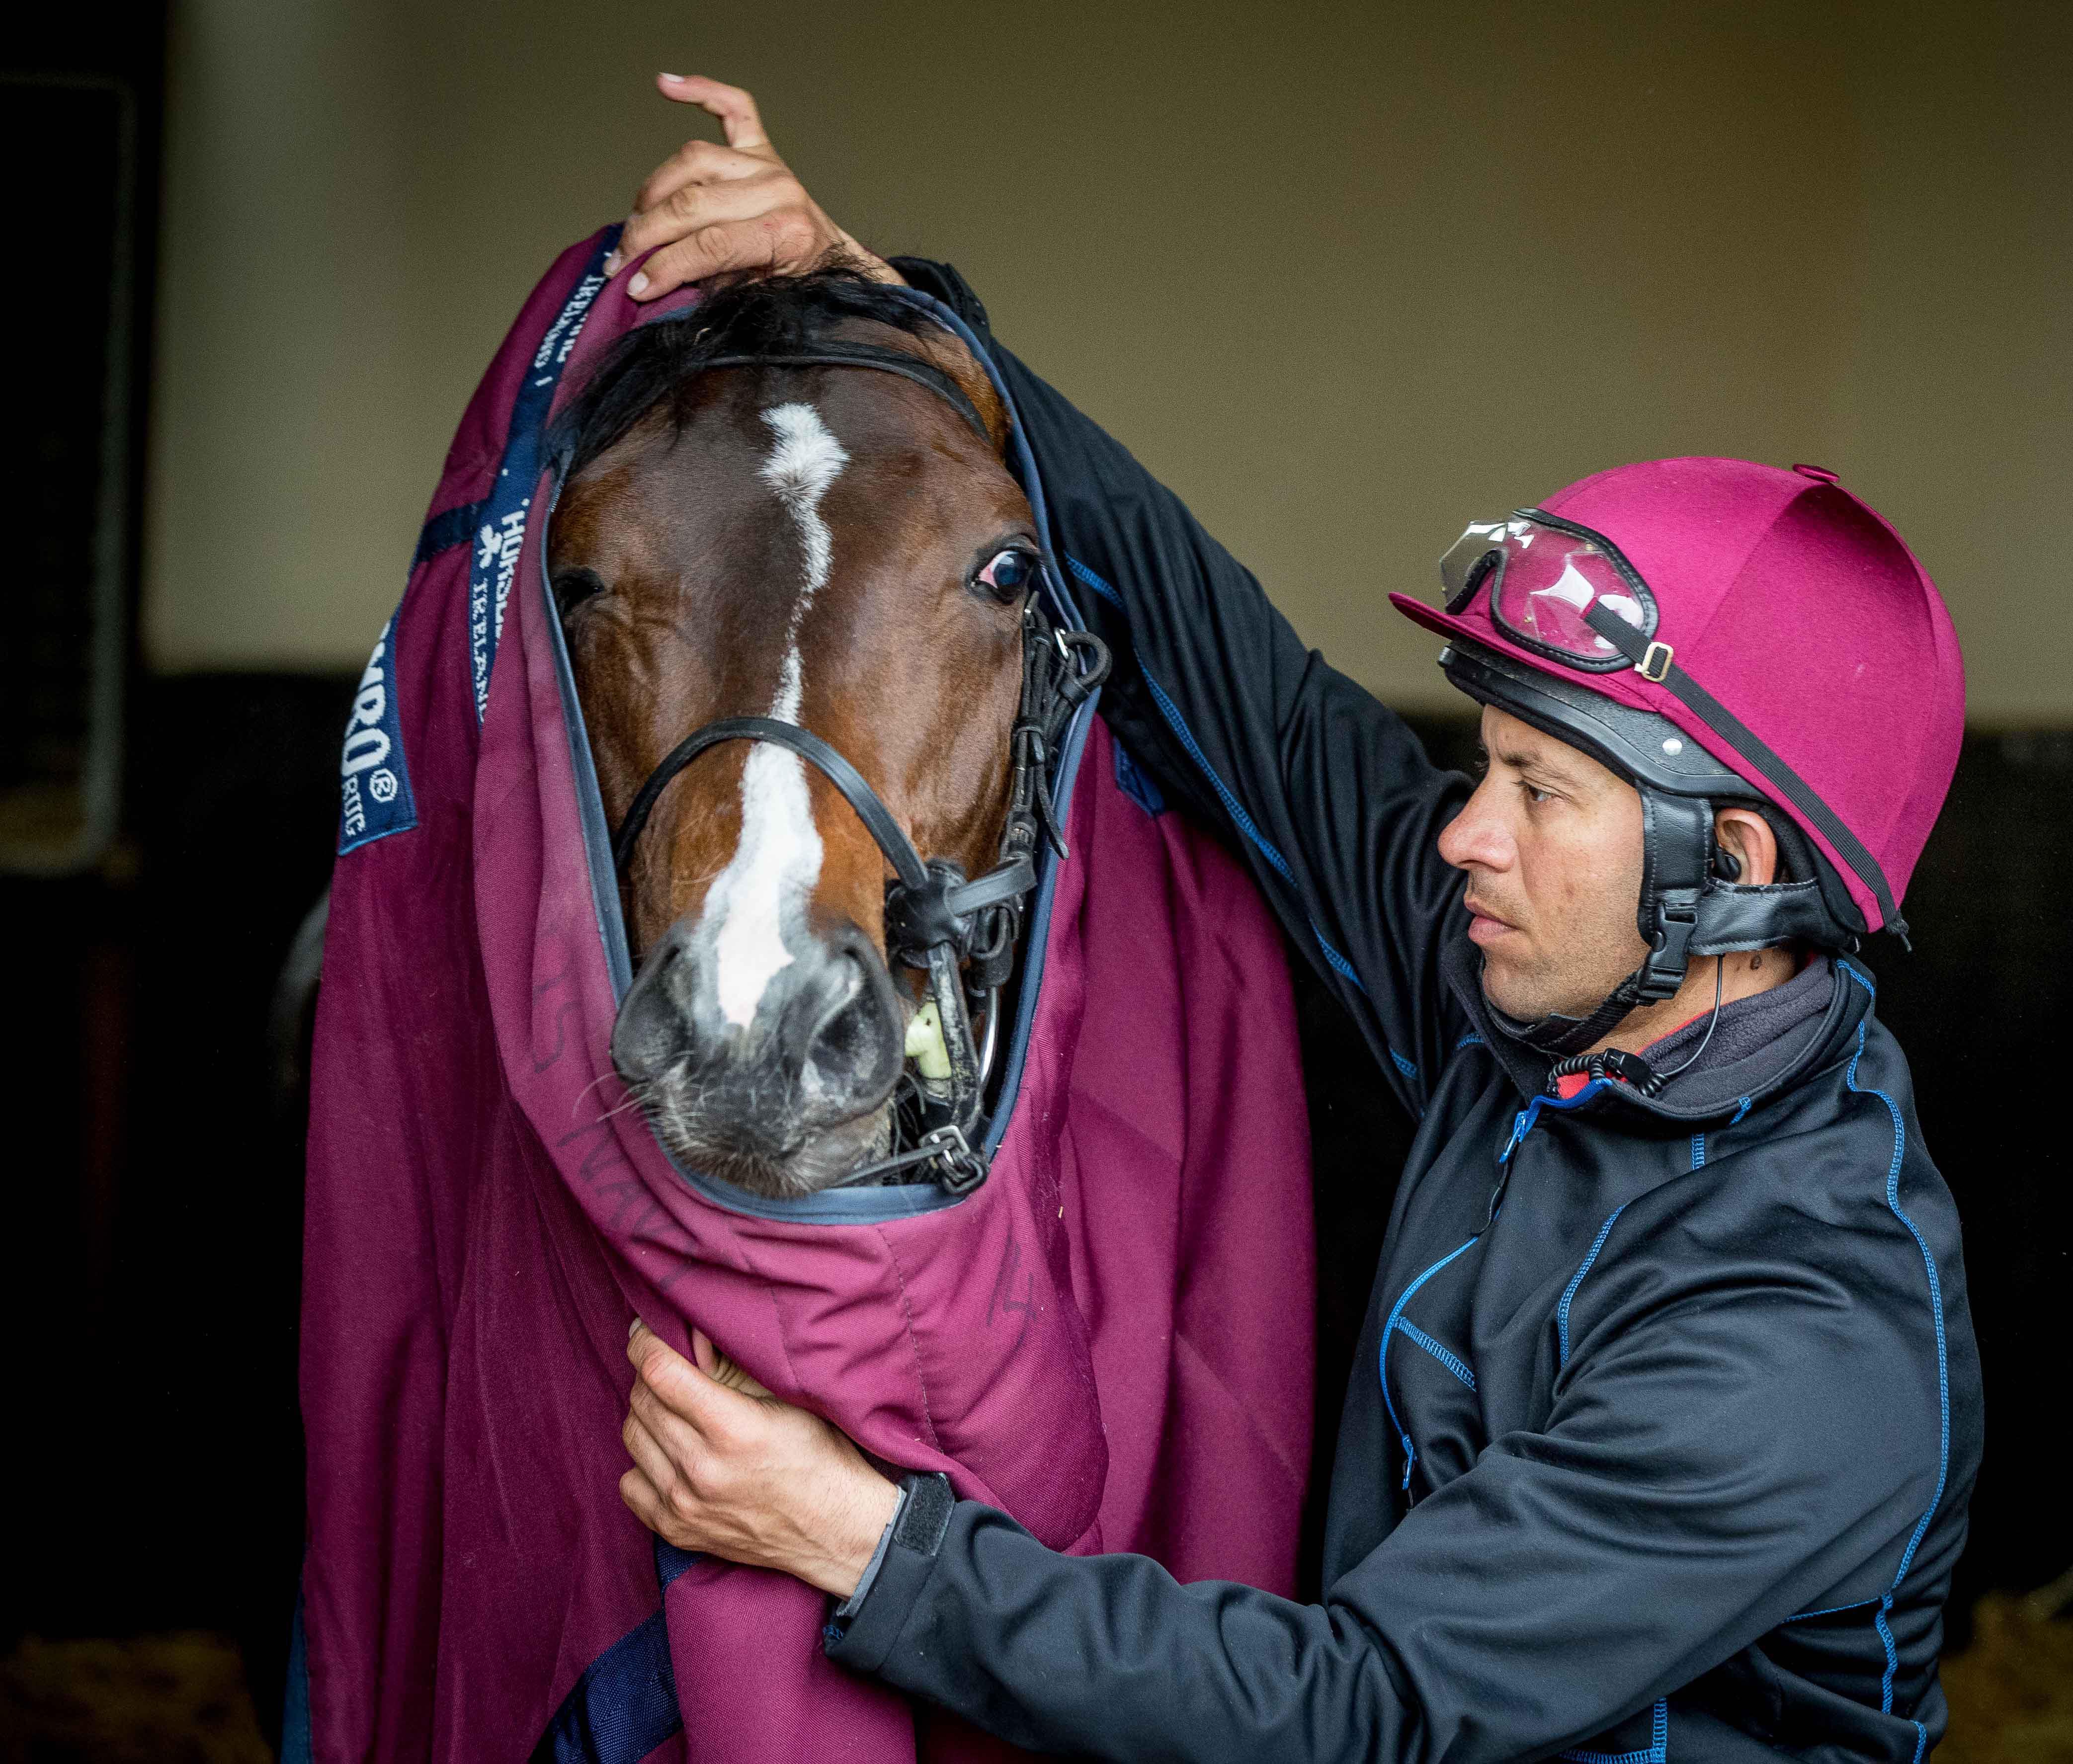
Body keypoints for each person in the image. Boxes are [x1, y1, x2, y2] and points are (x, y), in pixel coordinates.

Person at [608, 73, 1982, 1764]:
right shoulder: (1552, 1006)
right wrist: (890, 307)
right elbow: (1246, 686)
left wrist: (864, 1544)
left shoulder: (1801, 1334)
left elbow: (1364, 1709)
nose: (1463, 834)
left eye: (1543, 794)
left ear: (1740, 870)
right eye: (1487, 764)